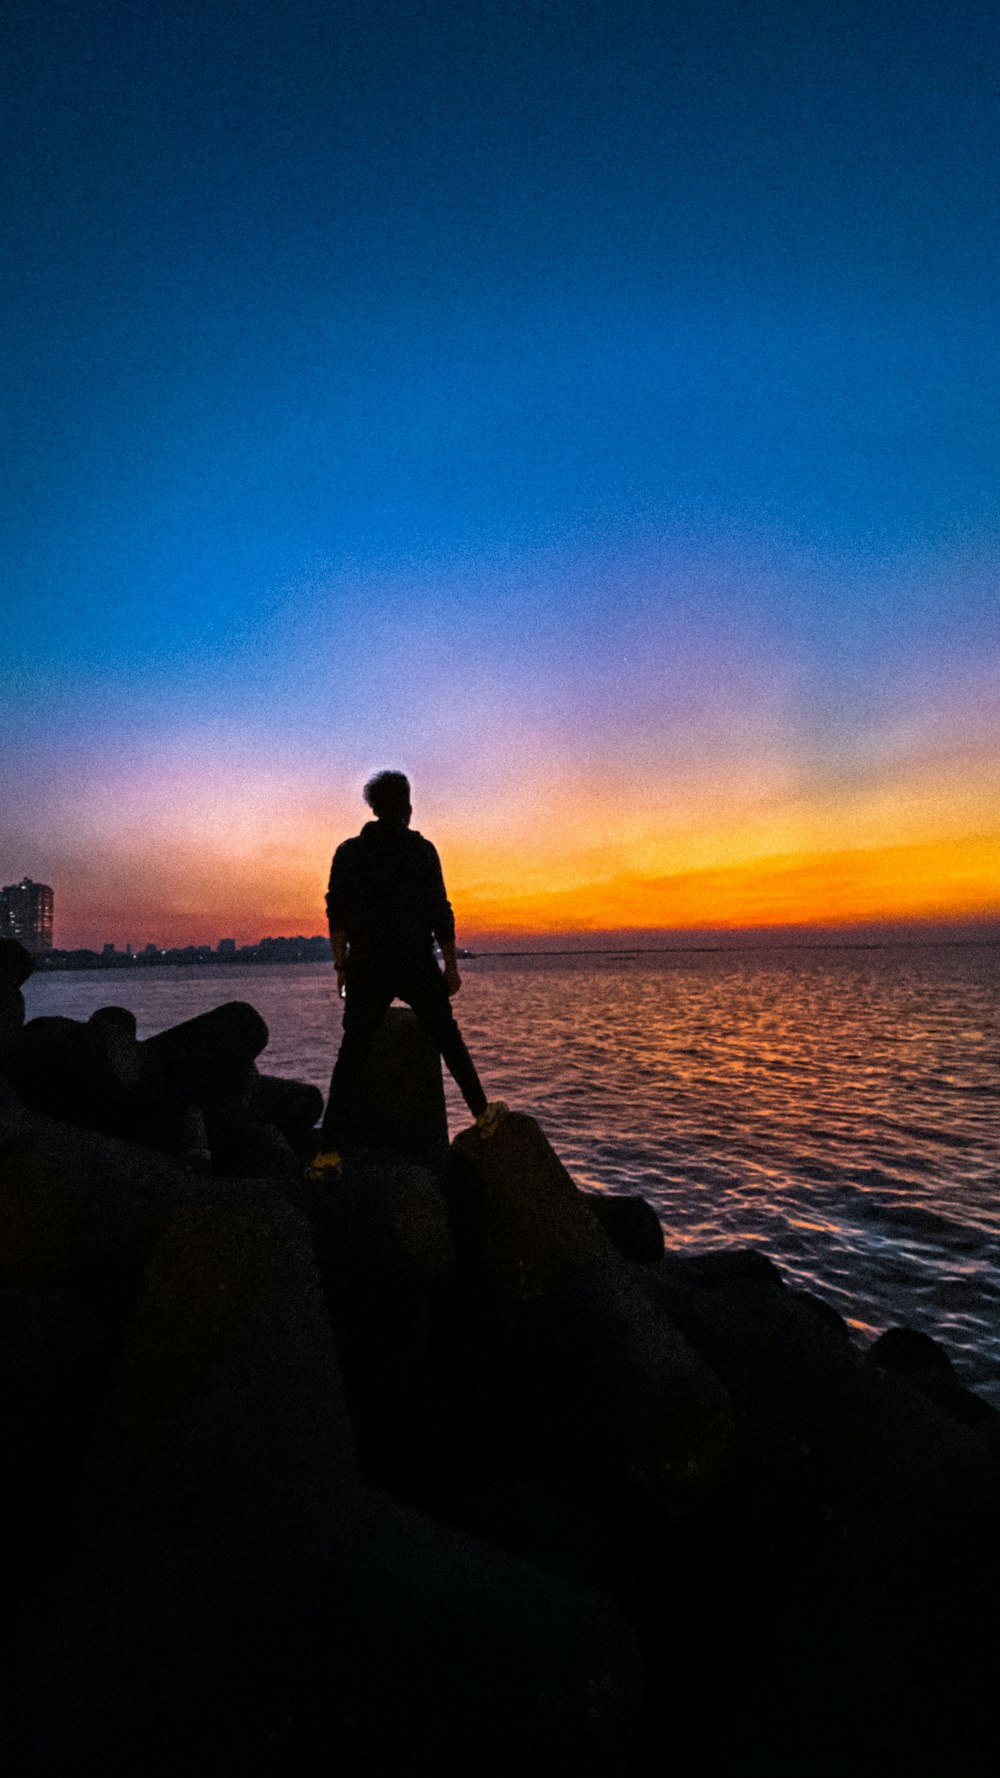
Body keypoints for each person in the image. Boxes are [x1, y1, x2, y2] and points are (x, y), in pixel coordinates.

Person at [312, 771, 504, 1172]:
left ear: (375, 807)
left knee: (352, 1056)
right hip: (415, 961)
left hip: (367, 964)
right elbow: (440, 911)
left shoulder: (349, 853)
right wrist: (450, 965)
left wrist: (341, 966)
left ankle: (328, 1151)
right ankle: (483, 1115)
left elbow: (337, 914)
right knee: (448, 1039)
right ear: (406, 806)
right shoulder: (422, 851)